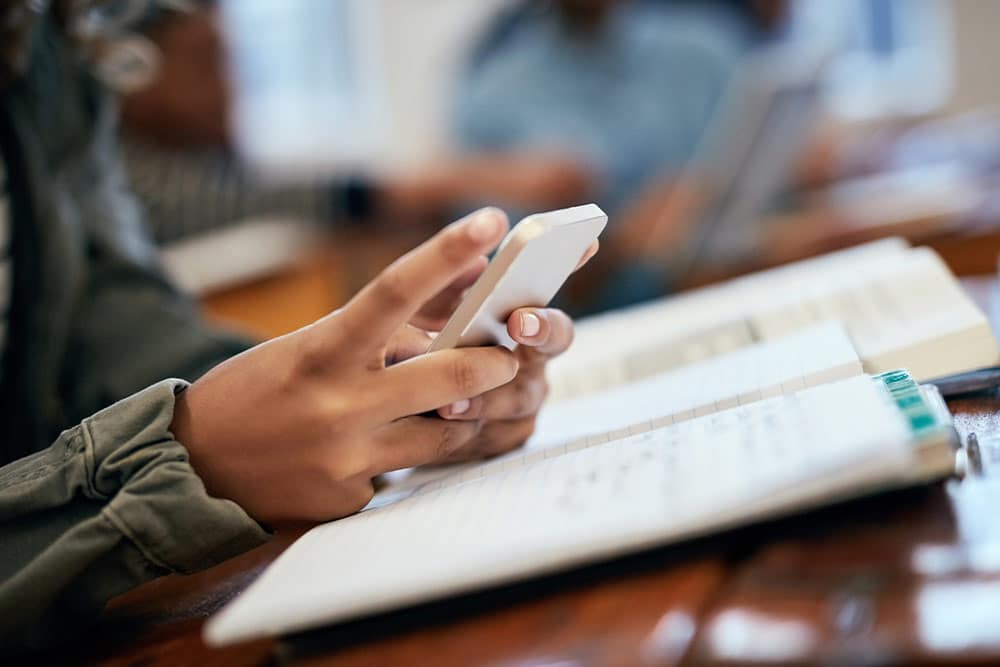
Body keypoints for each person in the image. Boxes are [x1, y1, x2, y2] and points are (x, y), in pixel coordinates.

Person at [0, 2, 594, 653]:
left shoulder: (48, 34)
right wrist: (184, 463)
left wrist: (347, 400)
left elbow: (103, 310)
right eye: (207, 62)